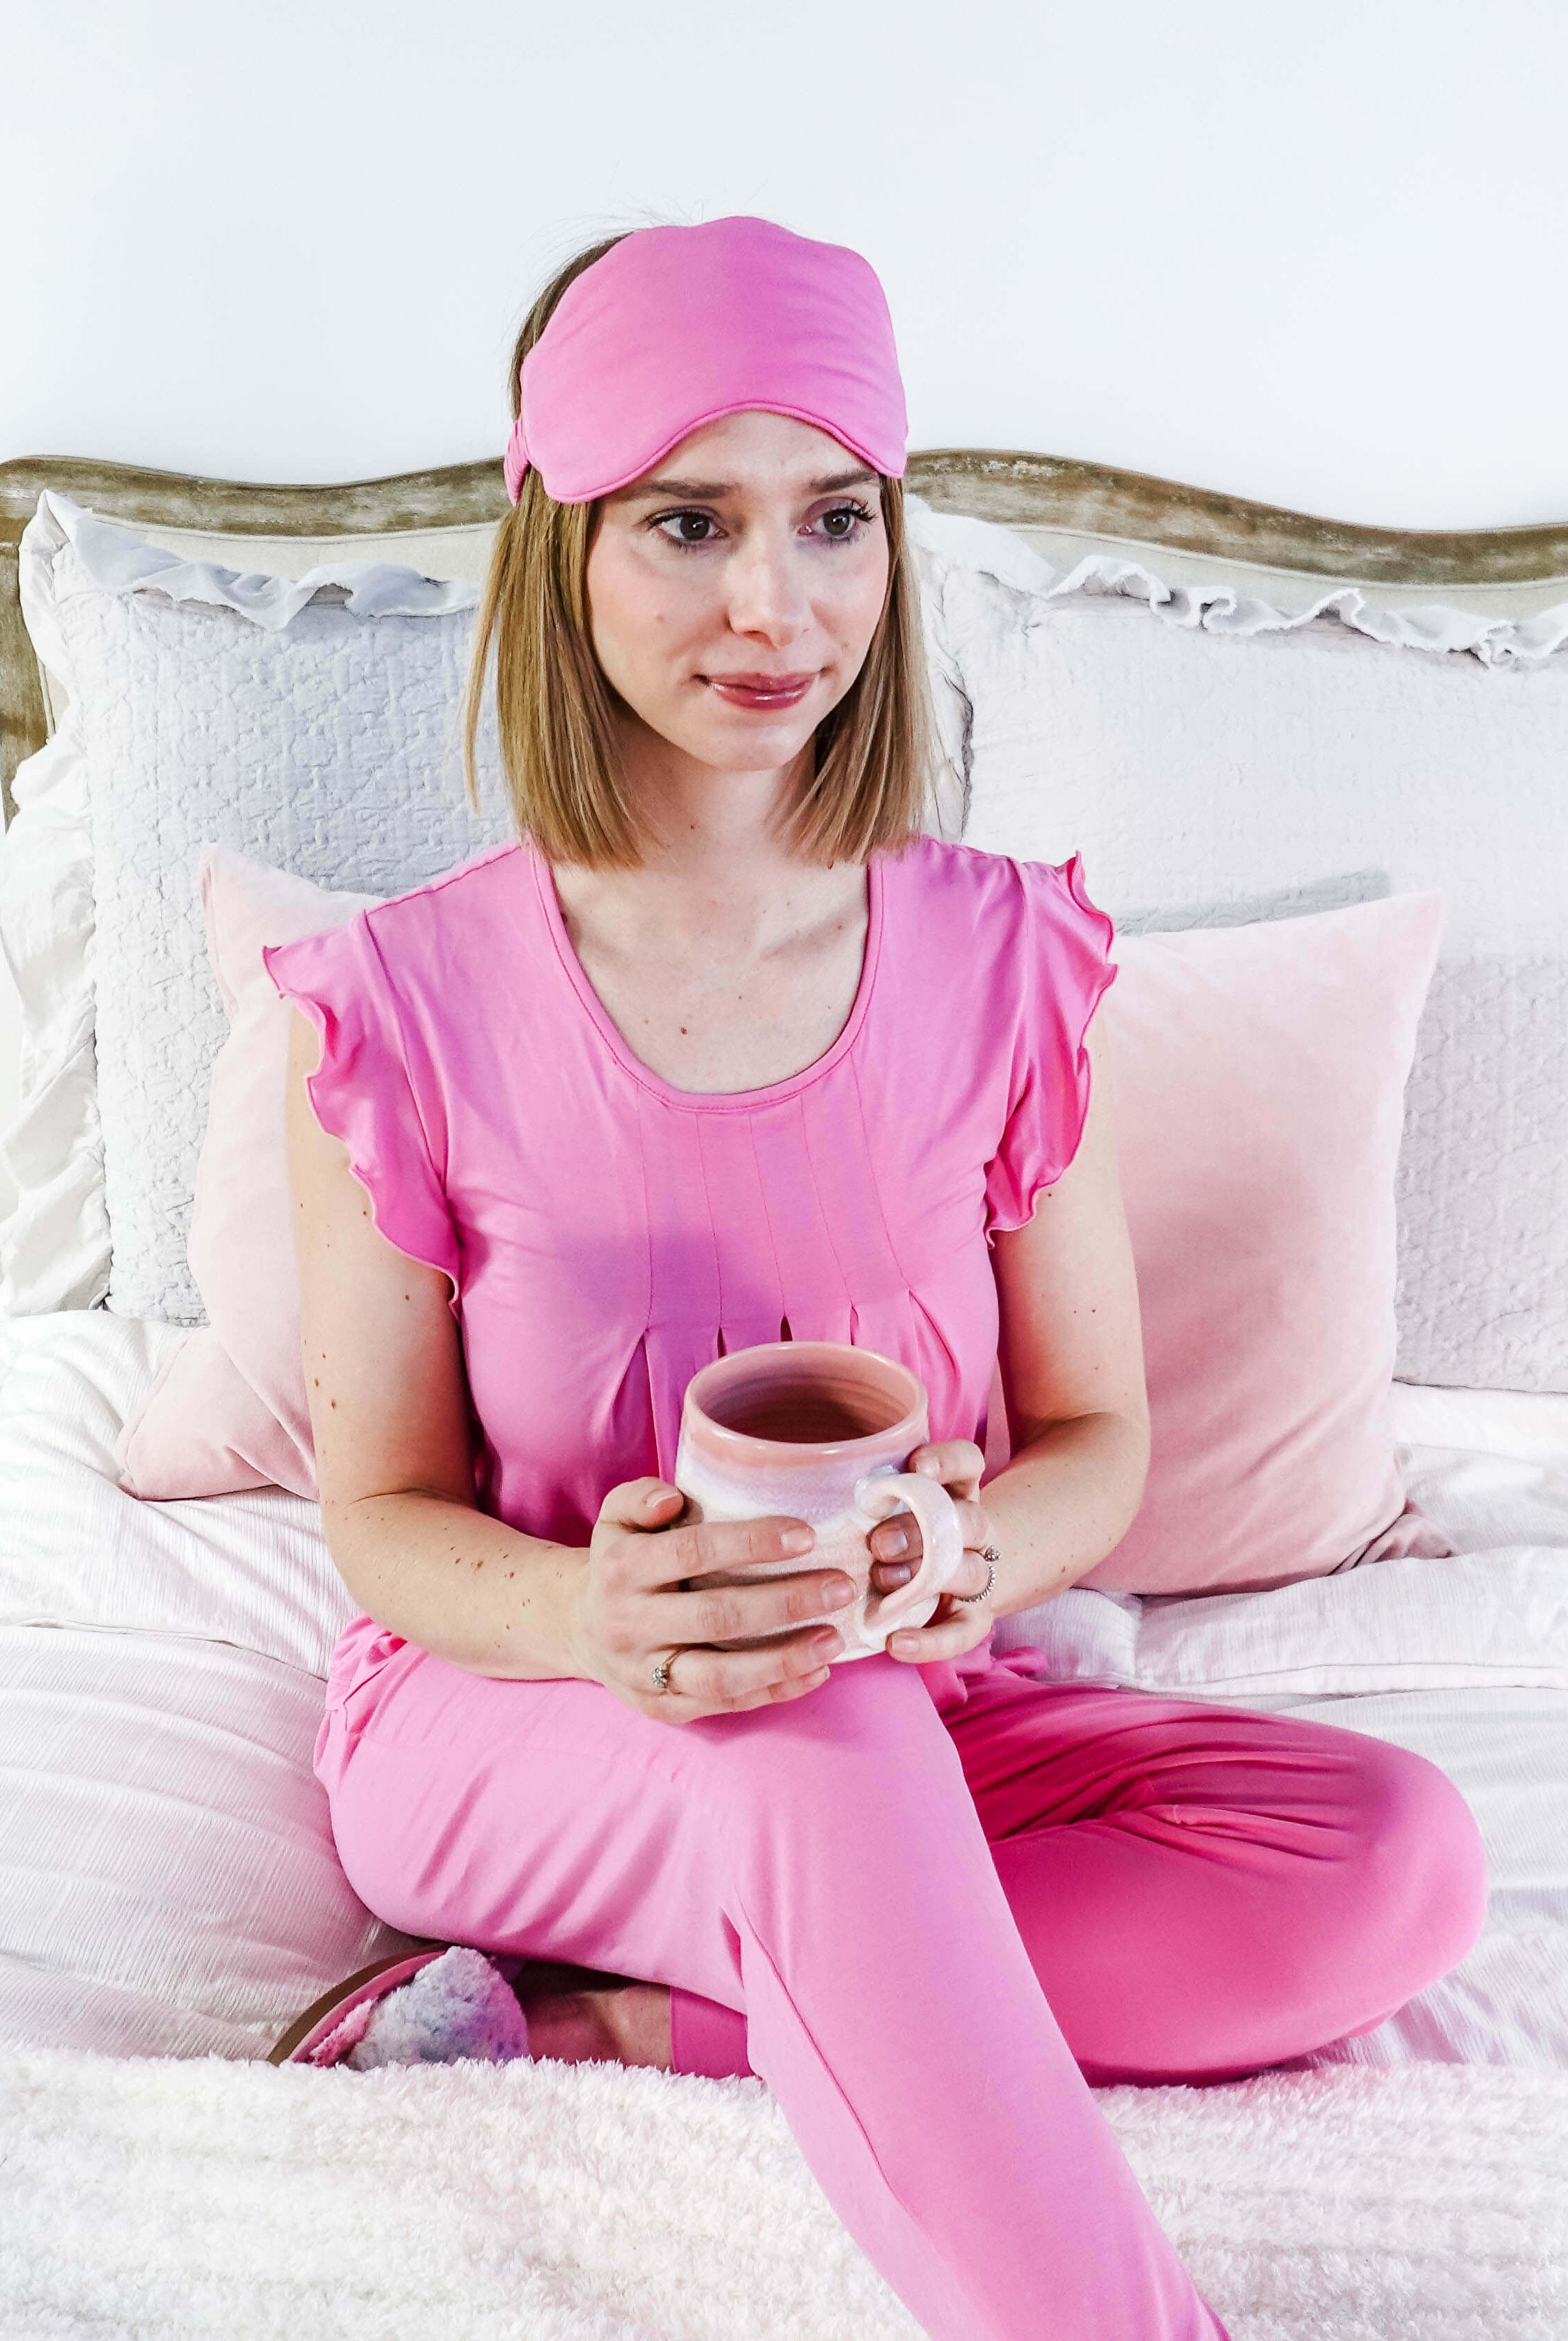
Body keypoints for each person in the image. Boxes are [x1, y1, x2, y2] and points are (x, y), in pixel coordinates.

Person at [265, 215, 1487, 2341]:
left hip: (914, 1710)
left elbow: (1095, 1441)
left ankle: (627, 2029)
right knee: (808, 1735)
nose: (777, 605)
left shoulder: (1004, 961)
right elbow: (377, 1517)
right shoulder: (396, 1000)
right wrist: (592, 1611)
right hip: (524, 1710)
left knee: (1392, 1864)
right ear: (556, 535)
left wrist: (962, 1546)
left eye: (836, 519)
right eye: (687, 522)